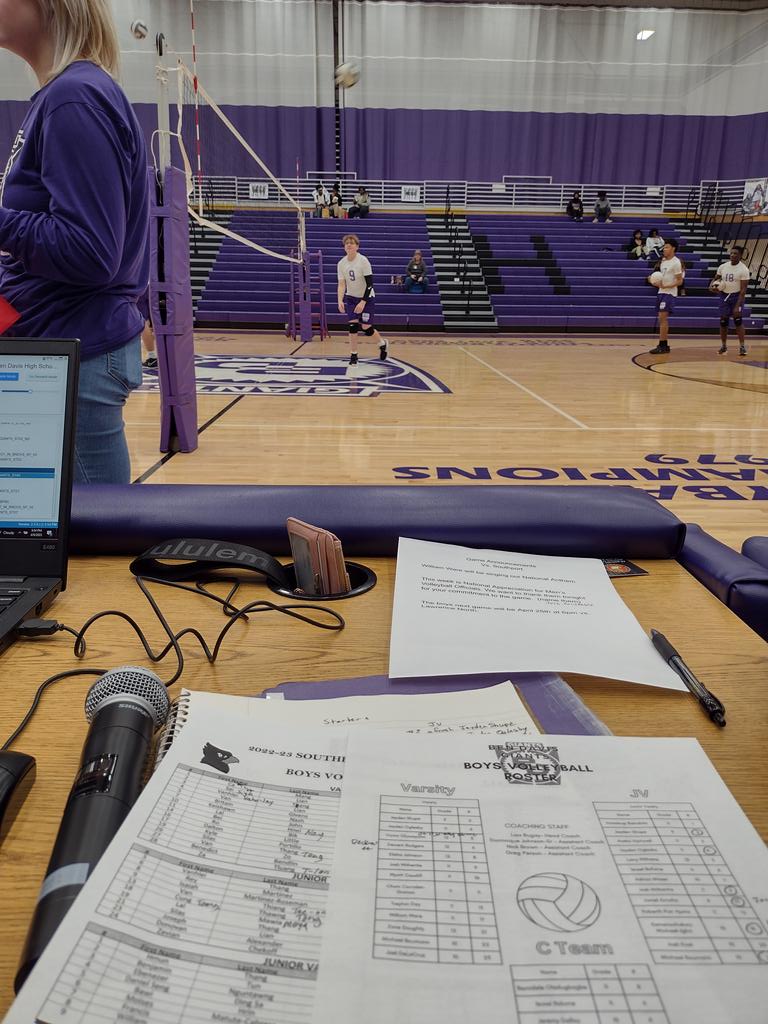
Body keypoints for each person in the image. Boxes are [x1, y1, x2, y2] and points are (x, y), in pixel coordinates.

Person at [0, 0, 149, 484]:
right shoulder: (63, 95)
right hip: (60, 350)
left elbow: (90, 251)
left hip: (74, 357)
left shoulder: (74, 97)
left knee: (84, 548)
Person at [337, 233, 389, 365]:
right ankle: (353, 355)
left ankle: (382, 344)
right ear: (344, 247)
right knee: (353, 326)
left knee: (366, 327)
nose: (349, 245)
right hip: (351, 298)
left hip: (367, 297)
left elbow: (370, 284)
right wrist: (339, 300)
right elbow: (342, 284)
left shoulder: (363, 261)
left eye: (352, 243)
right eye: (347, 243)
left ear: (357, 246)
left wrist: (363, 301)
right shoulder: (341, 263)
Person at [710, 245, 750, 356]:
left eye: (735, 253)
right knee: (723, 321)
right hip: (724, 295)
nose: (732, 255)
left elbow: (743, 291)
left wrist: (737, 305)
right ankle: (723, 346)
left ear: (741, 255)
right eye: (731, 253)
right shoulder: (723, 267)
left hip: (736, 296)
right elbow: (716, 279)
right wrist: (712, 286)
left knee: (738, 320)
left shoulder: (744, 270)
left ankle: (742, 347)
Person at [648, 239, 683, 354]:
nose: (664, 249)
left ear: (673, 248)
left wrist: (666, 286)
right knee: (660, 318)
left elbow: (679, 281)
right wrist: (653, 281)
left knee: (663, 318)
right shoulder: (663, 261)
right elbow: (660, 277)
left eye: (667, 247)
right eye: (664, 247)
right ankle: (664, 345)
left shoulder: (676, 262)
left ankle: (662, 345)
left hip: (669, 293)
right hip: (661, 292)